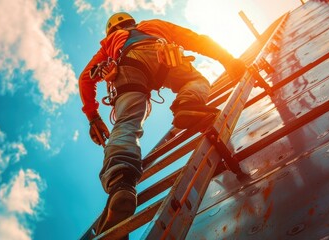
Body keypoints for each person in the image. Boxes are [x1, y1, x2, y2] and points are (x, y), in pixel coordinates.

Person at [78, 12, 246, 236]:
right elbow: (194, 38)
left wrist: (93, 117)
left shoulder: (109, 43)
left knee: (127, 123)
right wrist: (227, 59)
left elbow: (85, 78)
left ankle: (121, 182)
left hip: (128, 65)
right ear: (132, 21)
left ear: (110, 29)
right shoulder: (152, 25)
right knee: (195, 81)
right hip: (163, 55)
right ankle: (188, 103)